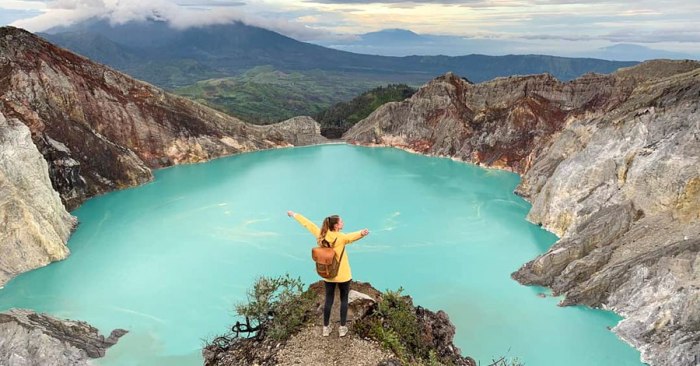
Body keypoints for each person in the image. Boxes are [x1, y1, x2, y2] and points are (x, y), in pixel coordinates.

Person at [287, 210, 369, 337]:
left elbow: (308, 224)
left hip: (328, 274)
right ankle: (342, 328)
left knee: (328, 300)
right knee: (344, 300)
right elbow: (350, 237)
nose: (342, 223)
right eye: (341, 221)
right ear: (336, 225)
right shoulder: (341, 237)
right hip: (343, 275)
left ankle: (325, 328)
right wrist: (362, 233)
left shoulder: (321, 235)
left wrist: (294, 215)